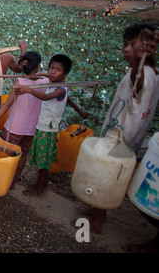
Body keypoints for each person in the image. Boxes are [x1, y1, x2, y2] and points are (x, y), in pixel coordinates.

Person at [79, 23, 158, 234]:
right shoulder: (141, 71)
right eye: (125, 44)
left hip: (122, 138)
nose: (126, 49)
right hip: (118, 135)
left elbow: (138, 114)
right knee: (105, 174)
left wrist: (120, 141)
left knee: (107, 175)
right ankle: (97, 212)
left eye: (133, 45)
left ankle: (96, 222)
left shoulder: (144, 75)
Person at [0, 51, 49, 188]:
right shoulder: (45, 82)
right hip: (31, 129)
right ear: (37, 66)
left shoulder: (19, 82)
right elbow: (49, 76)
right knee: (22, 155)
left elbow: (7, 104)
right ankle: (11, 183)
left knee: (3, 153)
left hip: (14, 128)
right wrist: (42, 73)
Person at [13, 54, 73, 197]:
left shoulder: (60, 89)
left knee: (43, 161)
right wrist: (80, 111)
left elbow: (46, 97)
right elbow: (68, 100)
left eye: (57, 70)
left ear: (65, 74)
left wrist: (28, 89)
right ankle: (41, 184)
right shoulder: (53, 83)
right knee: (41, 158)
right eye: (51, 68)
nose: (52, 72)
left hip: (48, 129)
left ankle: (40, 189)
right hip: (42, 126)